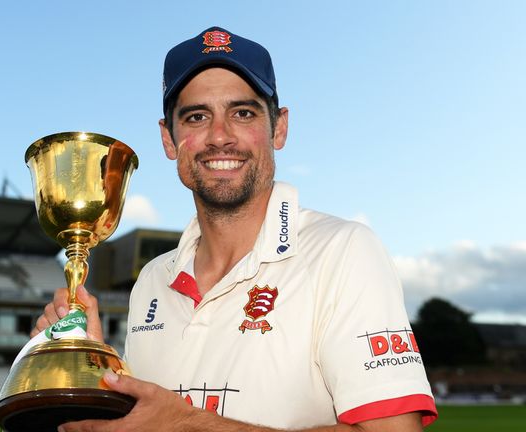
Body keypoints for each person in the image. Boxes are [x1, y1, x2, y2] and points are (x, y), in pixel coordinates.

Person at [33, 26, 438, 431]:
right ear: (168, 139)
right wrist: (92, 368)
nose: (220, 137)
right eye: (196, 116)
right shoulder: (153, 280)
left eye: (243, 113)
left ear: (279, 128)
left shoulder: (343, 250)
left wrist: (185, 425)